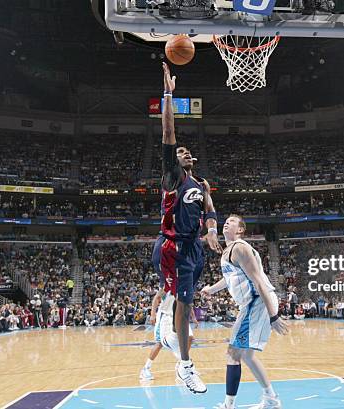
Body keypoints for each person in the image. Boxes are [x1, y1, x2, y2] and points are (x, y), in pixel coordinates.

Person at [151, 62, 222, 394]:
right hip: (172, 246)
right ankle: (184, 365)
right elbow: (168, 133)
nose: (185, 151)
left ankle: (169, 317)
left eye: (187, 151)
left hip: (193, 247)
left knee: (186, 302)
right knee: (183, 302)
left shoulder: (201, 183)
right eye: (180, 152)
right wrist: (168, 94)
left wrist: (211, 230)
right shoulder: (172, 176)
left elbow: (210, 211)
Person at [201, 214, 289, 409]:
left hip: (257, 302)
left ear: (240, 230)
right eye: (226, 221)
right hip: (252, 303)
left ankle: (228, 405)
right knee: (247, 356)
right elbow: (230, 278)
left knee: (233, 352)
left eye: (232, 222)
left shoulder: (240, 248)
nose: (227, 223)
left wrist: (273, 316)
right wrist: (211, 289)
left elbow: (258, 282)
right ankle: (271, 399)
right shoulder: (228, 251)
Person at [140, 287, 198, 381]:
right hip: (166, 317)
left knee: (190, 338)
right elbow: (157, 298)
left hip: (180, 316)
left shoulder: (185, 285)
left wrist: (194, 317)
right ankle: (146, 369)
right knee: (160, 343)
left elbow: (188, 303)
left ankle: (182, 364)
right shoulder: (168, 284)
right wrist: (153, 314)